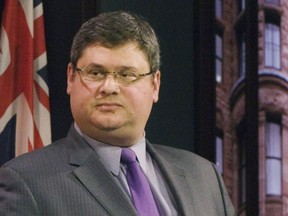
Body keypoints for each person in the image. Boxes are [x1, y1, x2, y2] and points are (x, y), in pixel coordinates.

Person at [0, 11, 235, 216]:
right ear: (71, 78)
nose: (109, 87)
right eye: (95, 72)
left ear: (155, 85)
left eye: (127, 74)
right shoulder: (25, 182)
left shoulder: (205, 176)